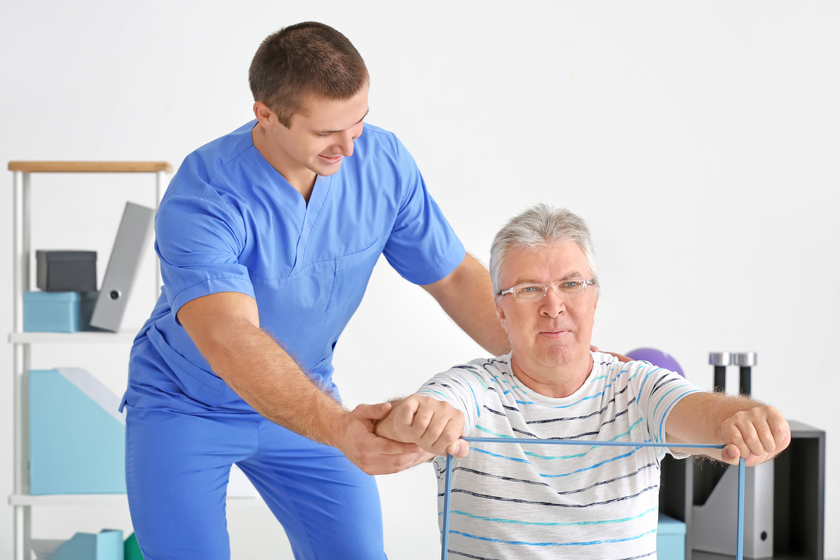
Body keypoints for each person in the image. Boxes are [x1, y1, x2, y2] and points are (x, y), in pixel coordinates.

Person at [121, 22, 512, 560]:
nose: (350, 147)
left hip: (305, 395)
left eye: (359, 122)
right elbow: (230, 337)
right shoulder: (206, 193)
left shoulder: (381, 163)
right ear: (265, 114)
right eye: (327, 132)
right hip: (187, 405)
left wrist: (549, 358)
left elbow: (449, 275)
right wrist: (341, 429)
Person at [375, 204, 791, 559]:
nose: (553, 306)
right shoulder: (471, 389)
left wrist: (745, 418)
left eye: (571, 284)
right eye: (528, 289)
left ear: (595, 297)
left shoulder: (640, 387)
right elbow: (409, 416)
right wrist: (413, 419)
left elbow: (708, 414)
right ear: (500, 311)